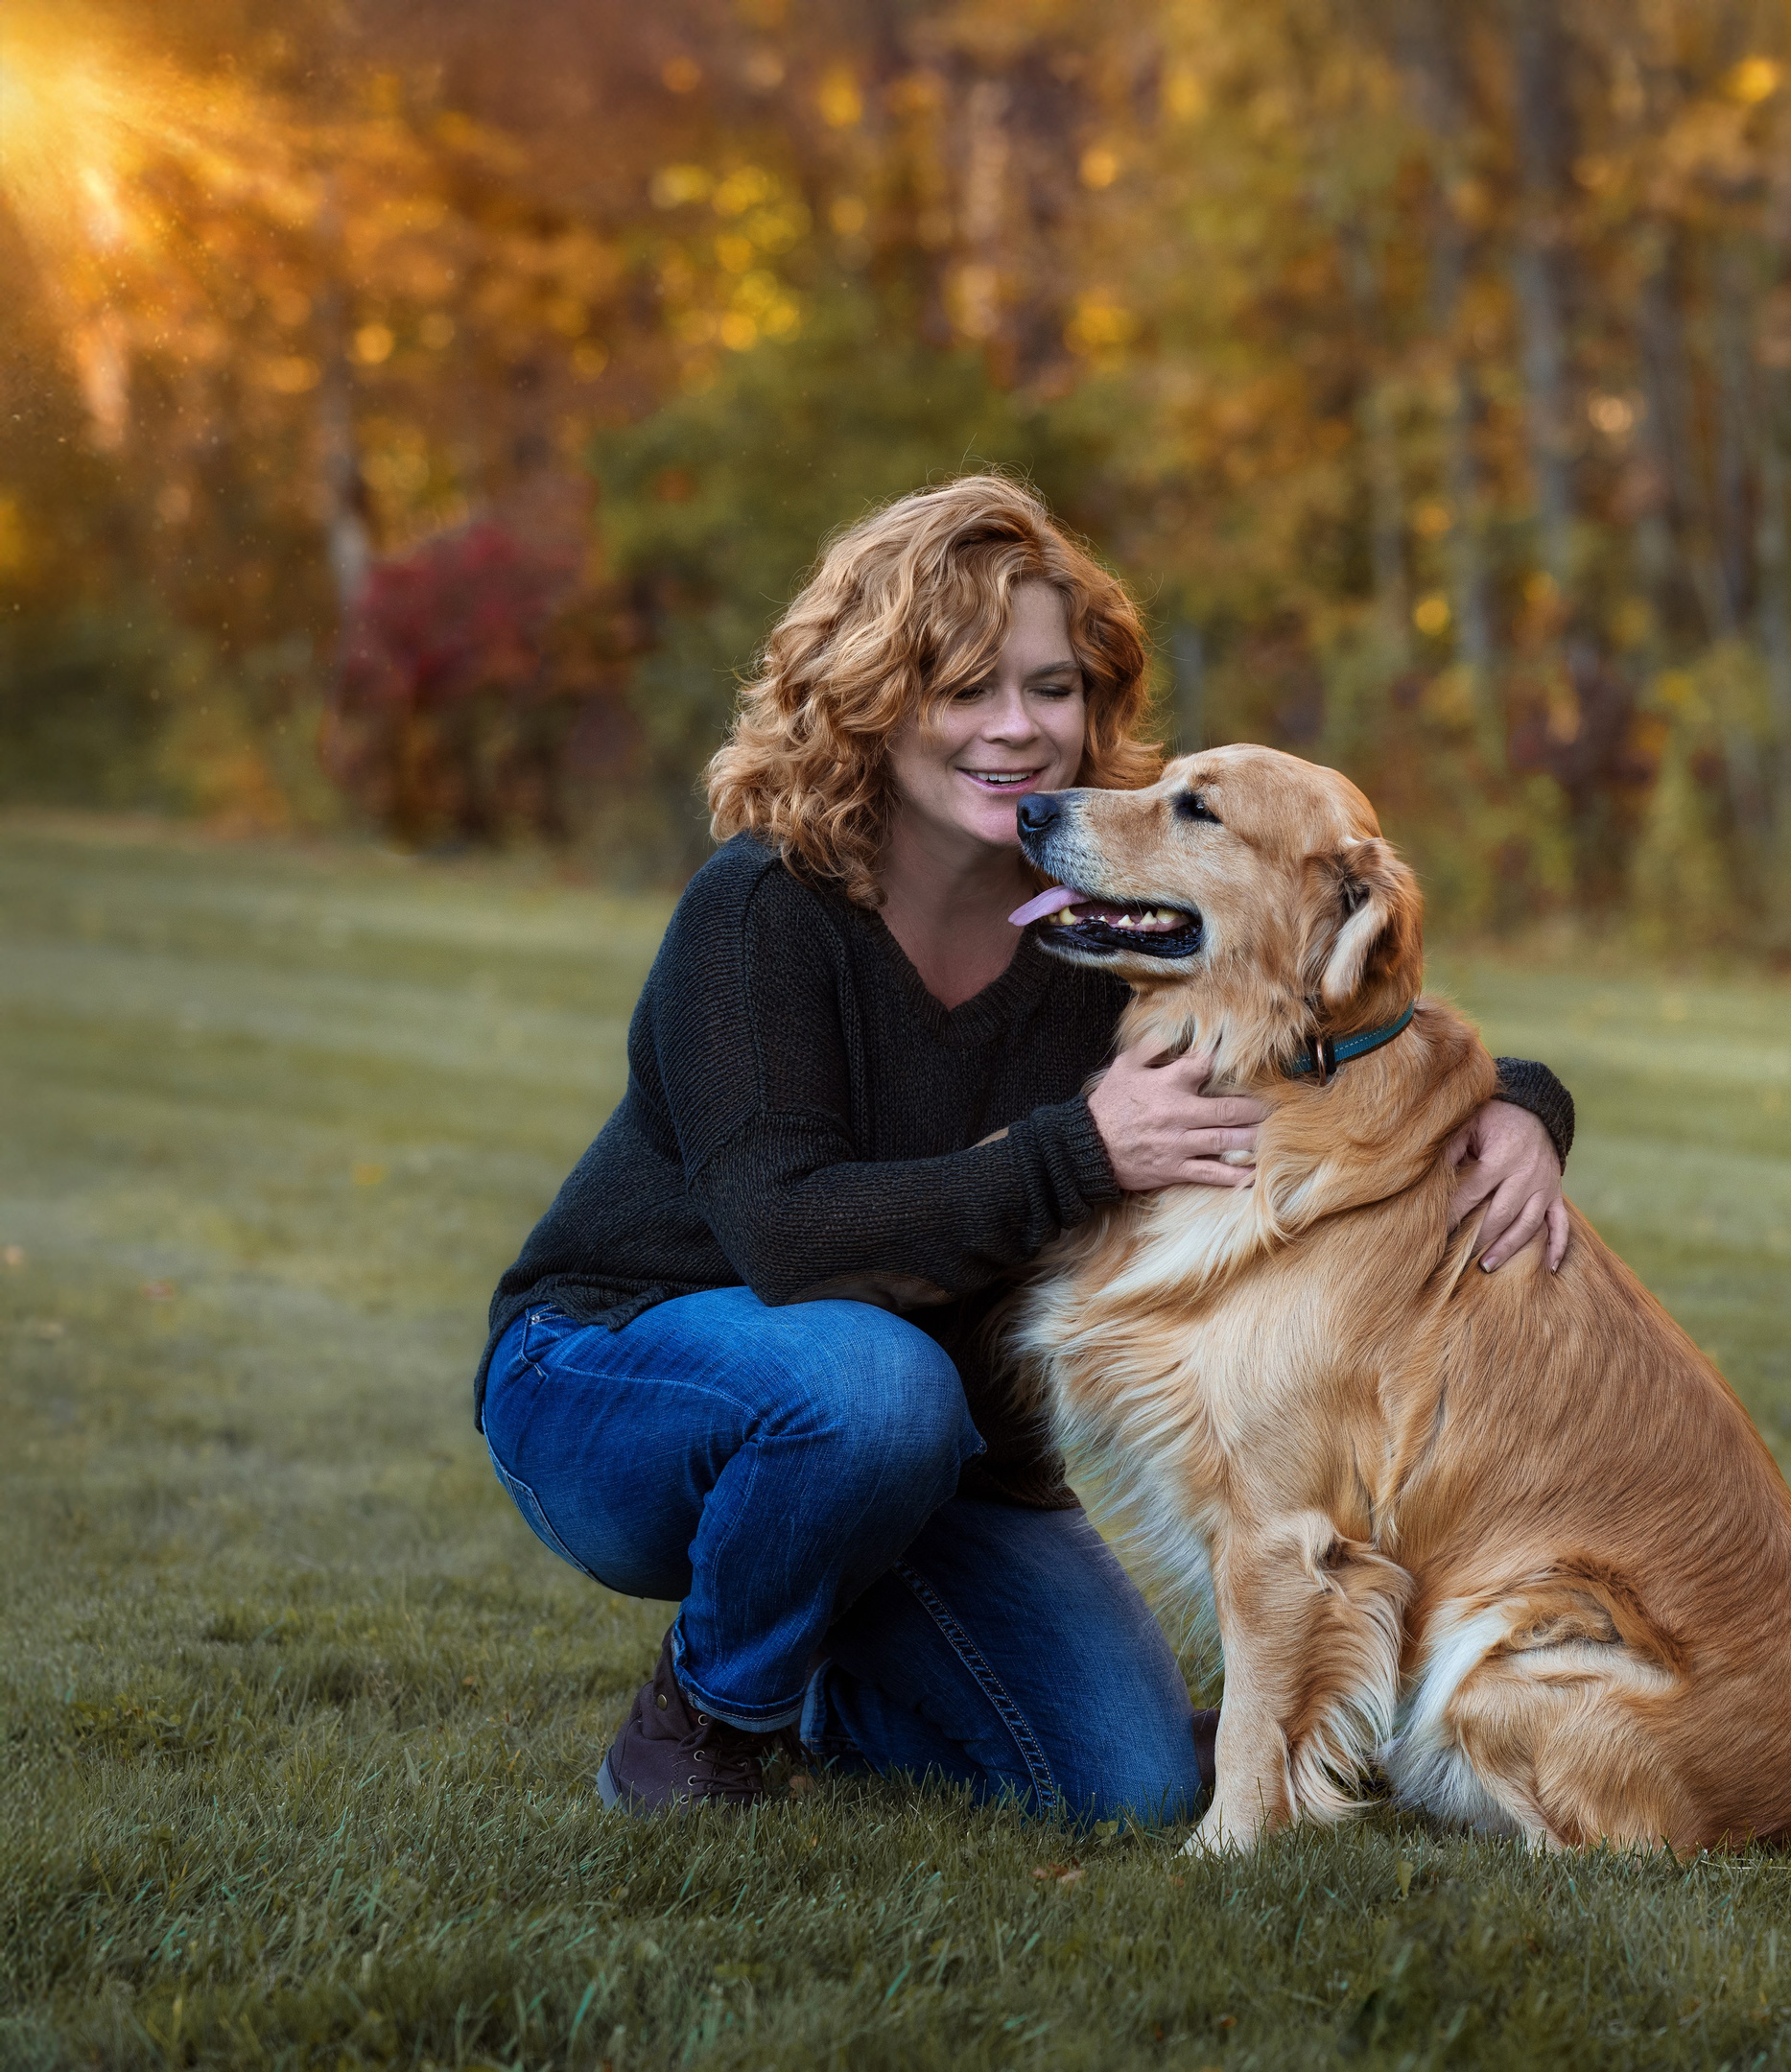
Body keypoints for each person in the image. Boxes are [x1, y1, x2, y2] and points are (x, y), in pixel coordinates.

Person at [475, 474, 1576, 1822]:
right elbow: (789, 1236)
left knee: (1124, 1780)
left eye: (1051, 688)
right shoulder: (762, 912)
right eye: (965, 687)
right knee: (870, 1385)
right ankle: (709, 1715)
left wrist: (1519, 1097)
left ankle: (843, 1649)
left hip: (936, 1453)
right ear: (876, 699)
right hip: (618, 1376)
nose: (1017, 729)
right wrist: (1082, 1150)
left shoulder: (1100, 915)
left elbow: (1321, 1004)